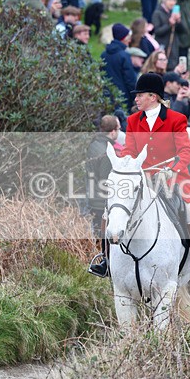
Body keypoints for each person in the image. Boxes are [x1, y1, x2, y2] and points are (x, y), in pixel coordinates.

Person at [121, 73, 190, 278]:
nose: (135, 99)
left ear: (153, 97)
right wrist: (125, 163)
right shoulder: (133, 120)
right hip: (143, 179)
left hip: (174, 177)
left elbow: (185, 151)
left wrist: (171, 168)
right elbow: (128, 150)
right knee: (113, 210)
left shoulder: (176, 119)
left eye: (139, 95)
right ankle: (105, 260)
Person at [86, 115, 120, 277]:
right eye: (119, 129)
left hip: (93, 197)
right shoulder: (107, 151)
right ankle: (106, 264)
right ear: (113, 131)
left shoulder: (94, 144)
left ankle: (101, 261)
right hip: (102, 200)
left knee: (98, 234)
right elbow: (106, 180)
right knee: (105, 234)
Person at [101, 23, 138, 111]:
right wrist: (135, 96)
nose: (129, 41)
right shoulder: (124, 56)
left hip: (107, 95)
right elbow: (130, 79)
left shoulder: (103, 54)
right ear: (123, 38)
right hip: (123, 97)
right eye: (128, 38)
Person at [152, 0, 186, 71]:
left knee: (172, 67)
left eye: (174, 0)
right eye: (169, 0)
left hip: (173, 46)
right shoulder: (157, 13)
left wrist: (178, 21)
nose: (172, 2)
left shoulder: (174, 13)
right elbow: (157, 31)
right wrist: (169, 24)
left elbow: (183, 31)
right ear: (164, 1)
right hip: (162, 45)